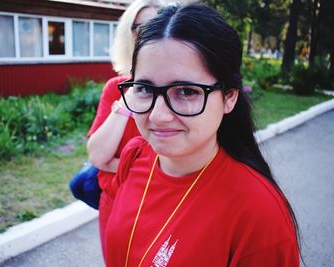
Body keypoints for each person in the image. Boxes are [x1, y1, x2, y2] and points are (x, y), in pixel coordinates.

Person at [103, 3, 301, 266]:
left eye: (186, 91)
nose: (158, 116)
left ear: (229, 97)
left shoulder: (259, 214)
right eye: (145, 89)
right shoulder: (134, 156)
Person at [85, 0, 166, 256]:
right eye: (143, 27)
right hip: (116, 200)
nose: (152, 34)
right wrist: (127, 102)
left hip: (162, 202)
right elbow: (98, 157)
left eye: (159, 24)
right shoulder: (115, 88)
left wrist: (118, 165)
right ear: (129, 35)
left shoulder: (177, 89)